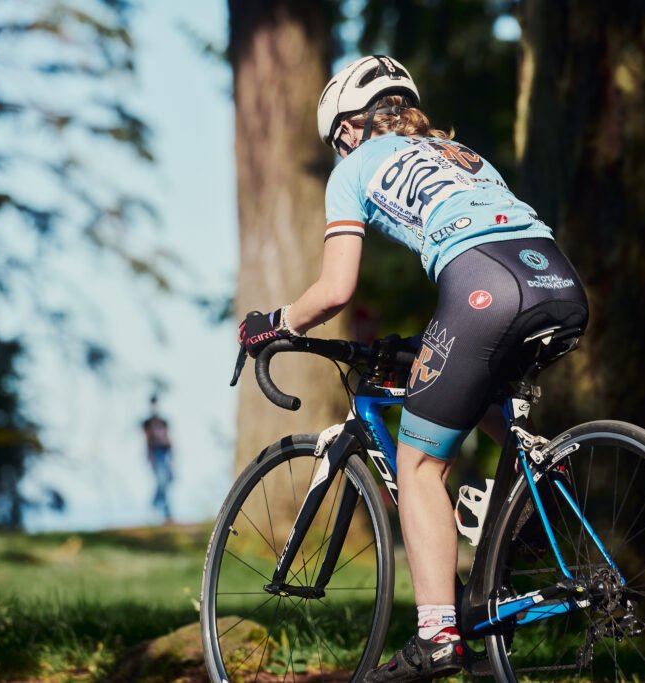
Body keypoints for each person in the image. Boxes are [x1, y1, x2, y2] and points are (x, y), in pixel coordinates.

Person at [237, 55, 589, 681]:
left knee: (420, 464)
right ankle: (537, 477)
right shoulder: (464, 155)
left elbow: (336, 290)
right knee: (471, 387)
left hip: (484, 286)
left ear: (349, 126)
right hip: (558, 282)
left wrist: (277, 322)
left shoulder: (354, 169)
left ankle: (438, 637)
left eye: (337, 139)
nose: (341, 149)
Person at [142, 395, 173, 522]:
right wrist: (149, 456)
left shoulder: (163, 421)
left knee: (166, 481)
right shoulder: (147, 423)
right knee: (162, 481)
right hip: (156, 454)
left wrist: (172, 455)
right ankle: (160, 507)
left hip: (165, 453)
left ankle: (159, 506)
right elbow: (147, 440)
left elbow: (168, 438)